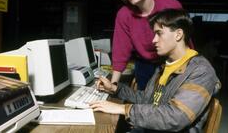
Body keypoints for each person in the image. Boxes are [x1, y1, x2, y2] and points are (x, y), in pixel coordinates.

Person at [90, 9, 221, 132]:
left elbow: (177, 116)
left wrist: (124, 109)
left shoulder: (201, 71)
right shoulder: (165, 65)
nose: (154, 40)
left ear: (178, 34)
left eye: (159, 33)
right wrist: (115, 89)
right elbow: (148, 99)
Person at [111, 0, 183, 90]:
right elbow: (120, 50)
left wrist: (194, 67)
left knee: (171, 101)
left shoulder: (170, 5)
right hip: (145, 65)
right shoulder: (124, 15)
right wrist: (112, 85)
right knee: (144, 102)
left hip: (172, 61)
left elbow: (184, 41)